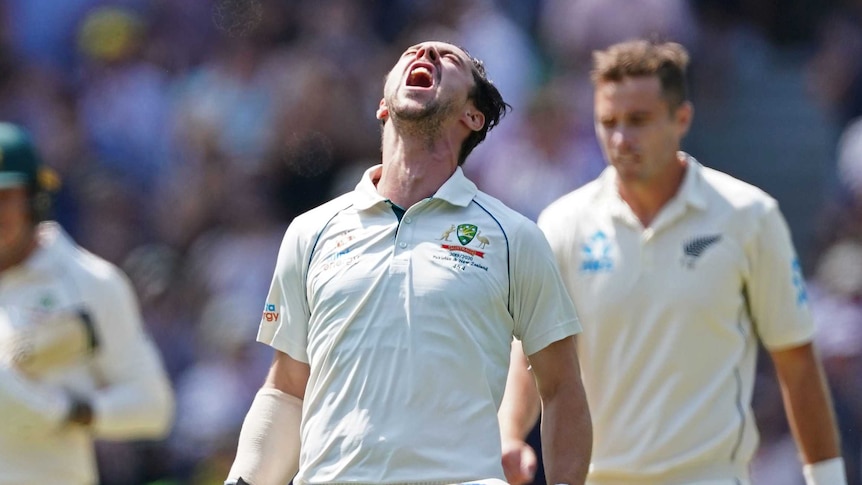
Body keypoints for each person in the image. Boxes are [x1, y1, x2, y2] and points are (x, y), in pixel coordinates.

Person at [224, 40, 592, 485]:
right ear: (383, 105)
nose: (426, 56)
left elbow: (561, 389)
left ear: (473, 117)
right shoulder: (311, 230)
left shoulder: (515, 238)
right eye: (411, 54)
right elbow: (286, 389)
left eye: (448, 58)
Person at [499, 39, 848, 485]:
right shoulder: (563, 223)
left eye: (639, 120)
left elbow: (796, 362)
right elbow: (533, 353)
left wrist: (828, 479)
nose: (622, 138)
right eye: (609, 123)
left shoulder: (749, 218)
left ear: (681, 119)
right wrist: (509, 435)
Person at [0, 122, 175, 484]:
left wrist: (70, 411)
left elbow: (153, 406)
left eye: (4, 197)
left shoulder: (89, 283)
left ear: (35, 198)